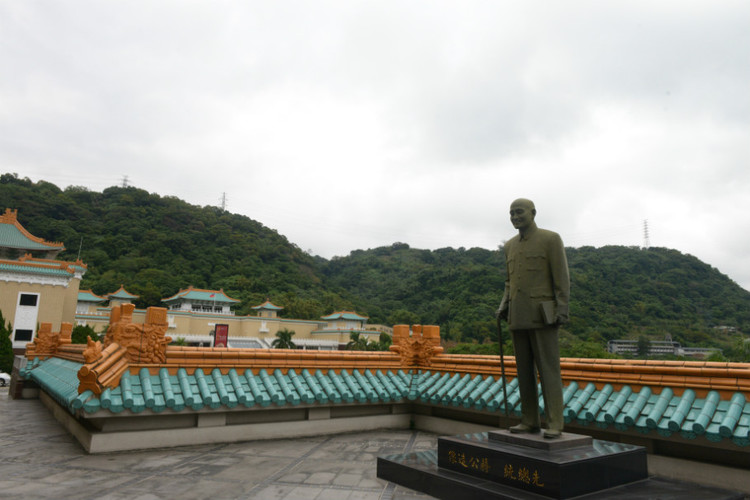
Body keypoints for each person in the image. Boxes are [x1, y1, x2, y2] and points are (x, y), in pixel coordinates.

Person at [496, 198, 570, 439]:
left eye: (519, 212)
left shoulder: (550, 239)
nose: (515, 217)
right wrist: (503, 305)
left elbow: (561, 277)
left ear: (533, 213)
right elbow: (510, 281)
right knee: (523, 370)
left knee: (548, 369)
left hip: (543, 314)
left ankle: (555, 422)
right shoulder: (509, 246)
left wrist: (562, 309)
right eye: (511, 213)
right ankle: (529, 420)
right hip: (517, 314)